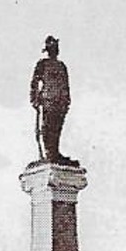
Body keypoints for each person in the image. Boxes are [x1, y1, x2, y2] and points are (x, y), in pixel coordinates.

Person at [30, 36, 77, 166]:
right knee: (47, 128)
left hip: (60, 102)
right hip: (48, 100)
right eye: (52, 48)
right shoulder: (42, 64)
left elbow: (65, 84)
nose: (54, 50)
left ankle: (55, 153)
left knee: (57, 128)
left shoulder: (62, 66)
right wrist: (34, 99)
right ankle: (49, 153)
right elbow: (34, 82)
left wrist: (67, 101)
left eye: (56, 48)